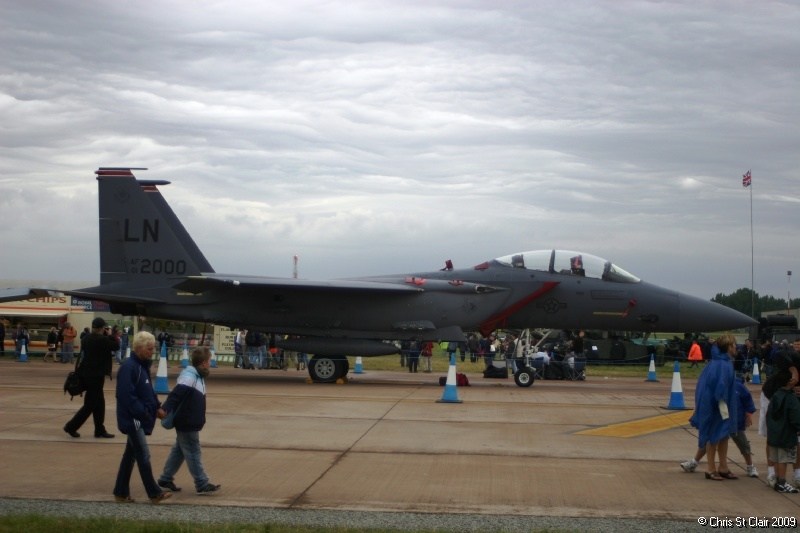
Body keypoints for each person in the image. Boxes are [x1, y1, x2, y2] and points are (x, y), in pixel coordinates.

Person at [113, 331, 172, 504]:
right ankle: (154, 493)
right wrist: (144, 413)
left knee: (130, 456)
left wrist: (157, 407)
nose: (152, 352)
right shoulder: (129, 367)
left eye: (153, 348)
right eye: (150, 349)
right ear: (139, 349)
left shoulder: (141, 366)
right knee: (143, 455)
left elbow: (147, 392)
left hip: (138, 417)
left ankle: (120, 492)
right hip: (133, 419)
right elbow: (125, 395)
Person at [157, 347, 221, 495]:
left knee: (179, 450)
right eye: (209, 360)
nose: (210, 363)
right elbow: (175, 395)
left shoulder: (198, 376)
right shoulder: (189, 377)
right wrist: (164, 409)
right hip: (187, 421)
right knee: (193, 451)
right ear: (204, 363)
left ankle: (165, 478)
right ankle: (201, 483)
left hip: (190, 420)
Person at [680, 375, 758, 477]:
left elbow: (748, 401)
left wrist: (748, 415)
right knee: (710, 441)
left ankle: (750, 465)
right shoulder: (716, 386)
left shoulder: (738, 387)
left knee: (743, 444)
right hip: (720, 421)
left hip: (736, 422)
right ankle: (694, 462)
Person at [688, 333, 738, 481]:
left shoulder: (716, 361)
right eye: (734, 345)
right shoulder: (723, 364)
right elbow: (721, 386)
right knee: (714, 434)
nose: (736, 347)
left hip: (715, 403)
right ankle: (711, 468)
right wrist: (723, 404)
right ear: (729, 347)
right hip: (718, 404)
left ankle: (723, 466)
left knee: (723, 434)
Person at [63, 317, 119, 439]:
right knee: (90, 405)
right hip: (96, 376)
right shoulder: (102, 339)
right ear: (102, 328)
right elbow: (116, 345)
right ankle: (71, 426)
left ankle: (99, 429)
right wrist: (110, 335)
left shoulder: (86, 338)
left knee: (99, 403)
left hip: (85, 373)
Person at [766, 369, 800, 493]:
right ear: (790, 381)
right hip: (786, 435)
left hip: (774, 434)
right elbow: (795, 417)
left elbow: (769, 414)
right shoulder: (791, 398)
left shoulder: (775, 395)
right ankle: (782, 482)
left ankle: (777, 479)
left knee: (775, 458)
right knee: (783, 460)